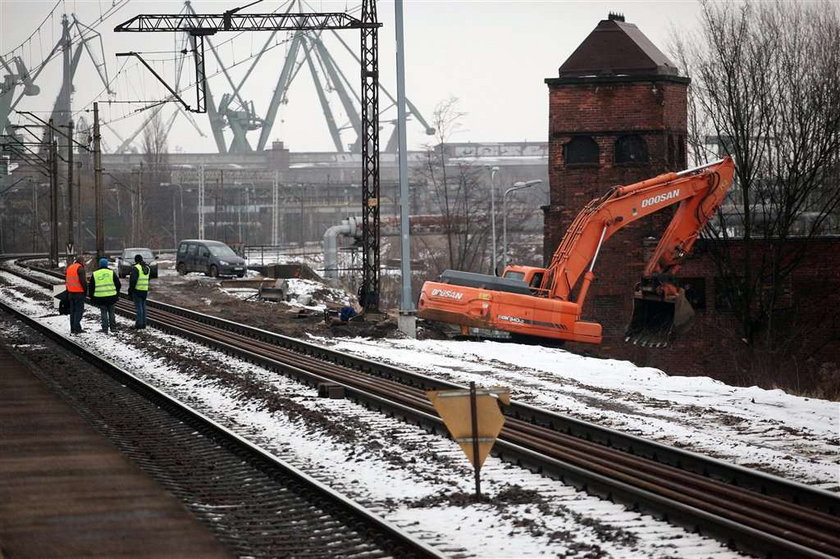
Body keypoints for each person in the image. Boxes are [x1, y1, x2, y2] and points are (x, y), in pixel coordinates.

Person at [88, 257, 121, 334]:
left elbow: (91, 287)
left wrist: (91, 297)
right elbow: (118, 284)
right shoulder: (111, 272)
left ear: (99, 264)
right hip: (112, 297)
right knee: (111, 312)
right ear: (106, 264)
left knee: (103, 313)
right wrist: (117, 293)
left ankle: (105, 328)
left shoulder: (95, 273)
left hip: (100, 297)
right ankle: (113, 328)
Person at [65, 255, 87, 334]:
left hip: (71, 293)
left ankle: (73, 328)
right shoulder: (80, 268)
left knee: (73, 312)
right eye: (84, 261)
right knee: (79, 311)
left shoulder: (70, 267)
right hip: (79, 293)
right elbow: (83, 282)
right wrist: (85, 291)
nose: (84, 263)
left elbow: (67, 280)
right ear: (81, 261)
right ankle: (76, 328)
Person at [128, 253, 150, 329]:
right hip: (144, 290)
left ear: (135, 260)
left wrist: (130, 290)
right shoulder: (147, 268)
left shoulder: (136, 268)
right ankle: (144, 324)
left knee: (139, 309)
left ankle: (138, 324)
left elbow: (133, 281)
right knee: (143, 308)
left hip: (137, 291)